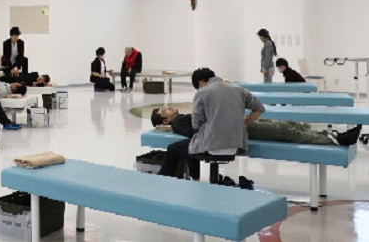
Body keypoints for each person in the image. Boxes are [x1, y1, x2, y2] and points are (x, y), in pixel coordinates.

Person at [157, 68, 265, 180]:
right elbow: (259, 108)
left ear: (200, 83)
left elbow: (196, 124)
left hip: (213, 146)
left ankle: (164, 180)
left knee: (178, 148)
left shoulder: (202, 92)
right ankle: (194, 177)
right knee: (189, 146)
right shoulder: (238, 89)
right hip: (236, 145)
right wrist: (244, 123)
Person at [152, 107, 361, 147]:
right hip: (237, 130)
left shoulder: (181, 118)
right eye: (164, 111)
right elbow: (195, 131)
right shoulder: (179, 124)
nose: (168, 108)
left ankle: (330, 134)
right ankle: (335, 140)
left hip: (237, 122)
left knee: (289, 124)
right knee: (285, 131)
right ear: (165, 121)